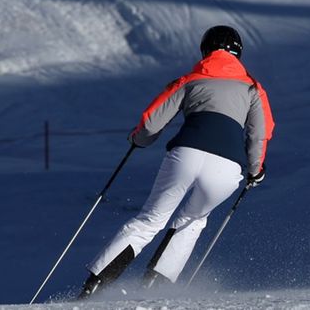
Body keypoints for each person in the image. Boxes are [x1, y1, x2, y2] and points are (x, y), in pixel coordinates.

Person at [80, 25, 274, 298]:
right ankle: (152, 289)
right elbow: (259, 135)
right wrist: (256, 171)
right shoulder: (254, 89)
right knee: (192, 221)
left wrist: (139, 140)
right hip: (227, 169)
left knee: (150, 220)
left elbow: (152, 121)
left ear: (206, 50)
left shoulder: (190, 80)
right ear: (238, 53)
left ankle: (93, 288)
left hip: (186, 155)